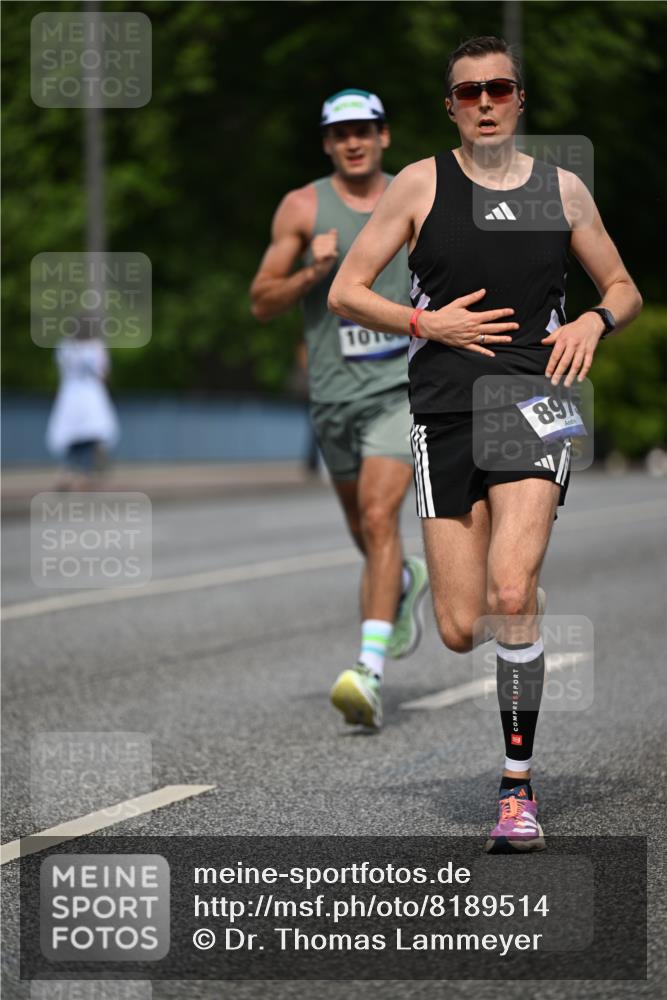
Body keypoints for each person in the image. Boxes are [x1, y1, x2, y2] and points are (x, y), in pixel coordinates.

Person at [329, 38, 642, 850]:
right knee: (463, 625)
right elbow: (345, 290)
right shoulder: (419, 185)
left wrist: (591, 320)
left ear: (518, 98)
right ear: (451, 107)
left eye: (497, 87)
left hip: (531, 399)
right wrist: (422, 321)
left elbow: (623, 287)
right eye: (467, 92)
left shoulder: (559, 190)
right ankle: (468, 590)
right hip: (441, 411)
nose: (483, 101)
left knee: (511, 591)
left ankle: (515, 789)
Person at [250, 89, 429, 730]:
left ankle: (369, 672)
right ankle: (402, 585)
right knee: (365, 533)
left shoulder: (416, 194)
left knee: (381, 517)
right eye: (340, 133)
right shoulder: (302, 207)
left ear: (384, 135)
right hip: (333, 400)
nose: (353, 141)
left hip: (401, 392)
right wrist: (314, 270)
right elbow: (261, 302)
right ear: (327, 143)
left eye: (364, 130)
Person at [46, 331, 119, 491]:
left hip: (72, 395)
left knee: (77, 437)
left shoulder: (65, 346)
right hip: (89, 396)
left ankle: (69, 473)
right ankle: (81, 475)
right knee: (88, 437)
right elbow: (103, 373)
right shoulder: (95, 346)